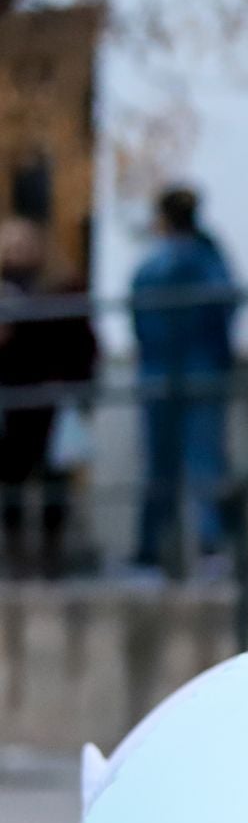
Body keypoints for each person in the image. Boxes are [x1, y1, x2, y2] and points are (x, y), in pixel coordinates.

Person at [130, 184, 239, 577]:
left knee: (161, 465)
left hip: (160, 374)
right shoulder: (209, 260)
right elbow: (225, 308)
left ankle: (150, 552)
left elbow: (139, 321)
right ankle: (211, 549)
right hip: (201, 371)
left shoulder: (152, 264)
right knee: (205, 461)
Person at [0, 217, 98, 579]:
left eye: (23, 246)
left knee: (54, 475)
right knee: (11, 476)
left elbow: (84, 343)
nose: (17, 254)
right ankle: (14, 552)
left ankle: (51, 554)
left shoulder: (64, 288)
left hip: (54, 396)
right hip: (12, 399)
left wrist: (81, 390)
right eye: (10, 248)